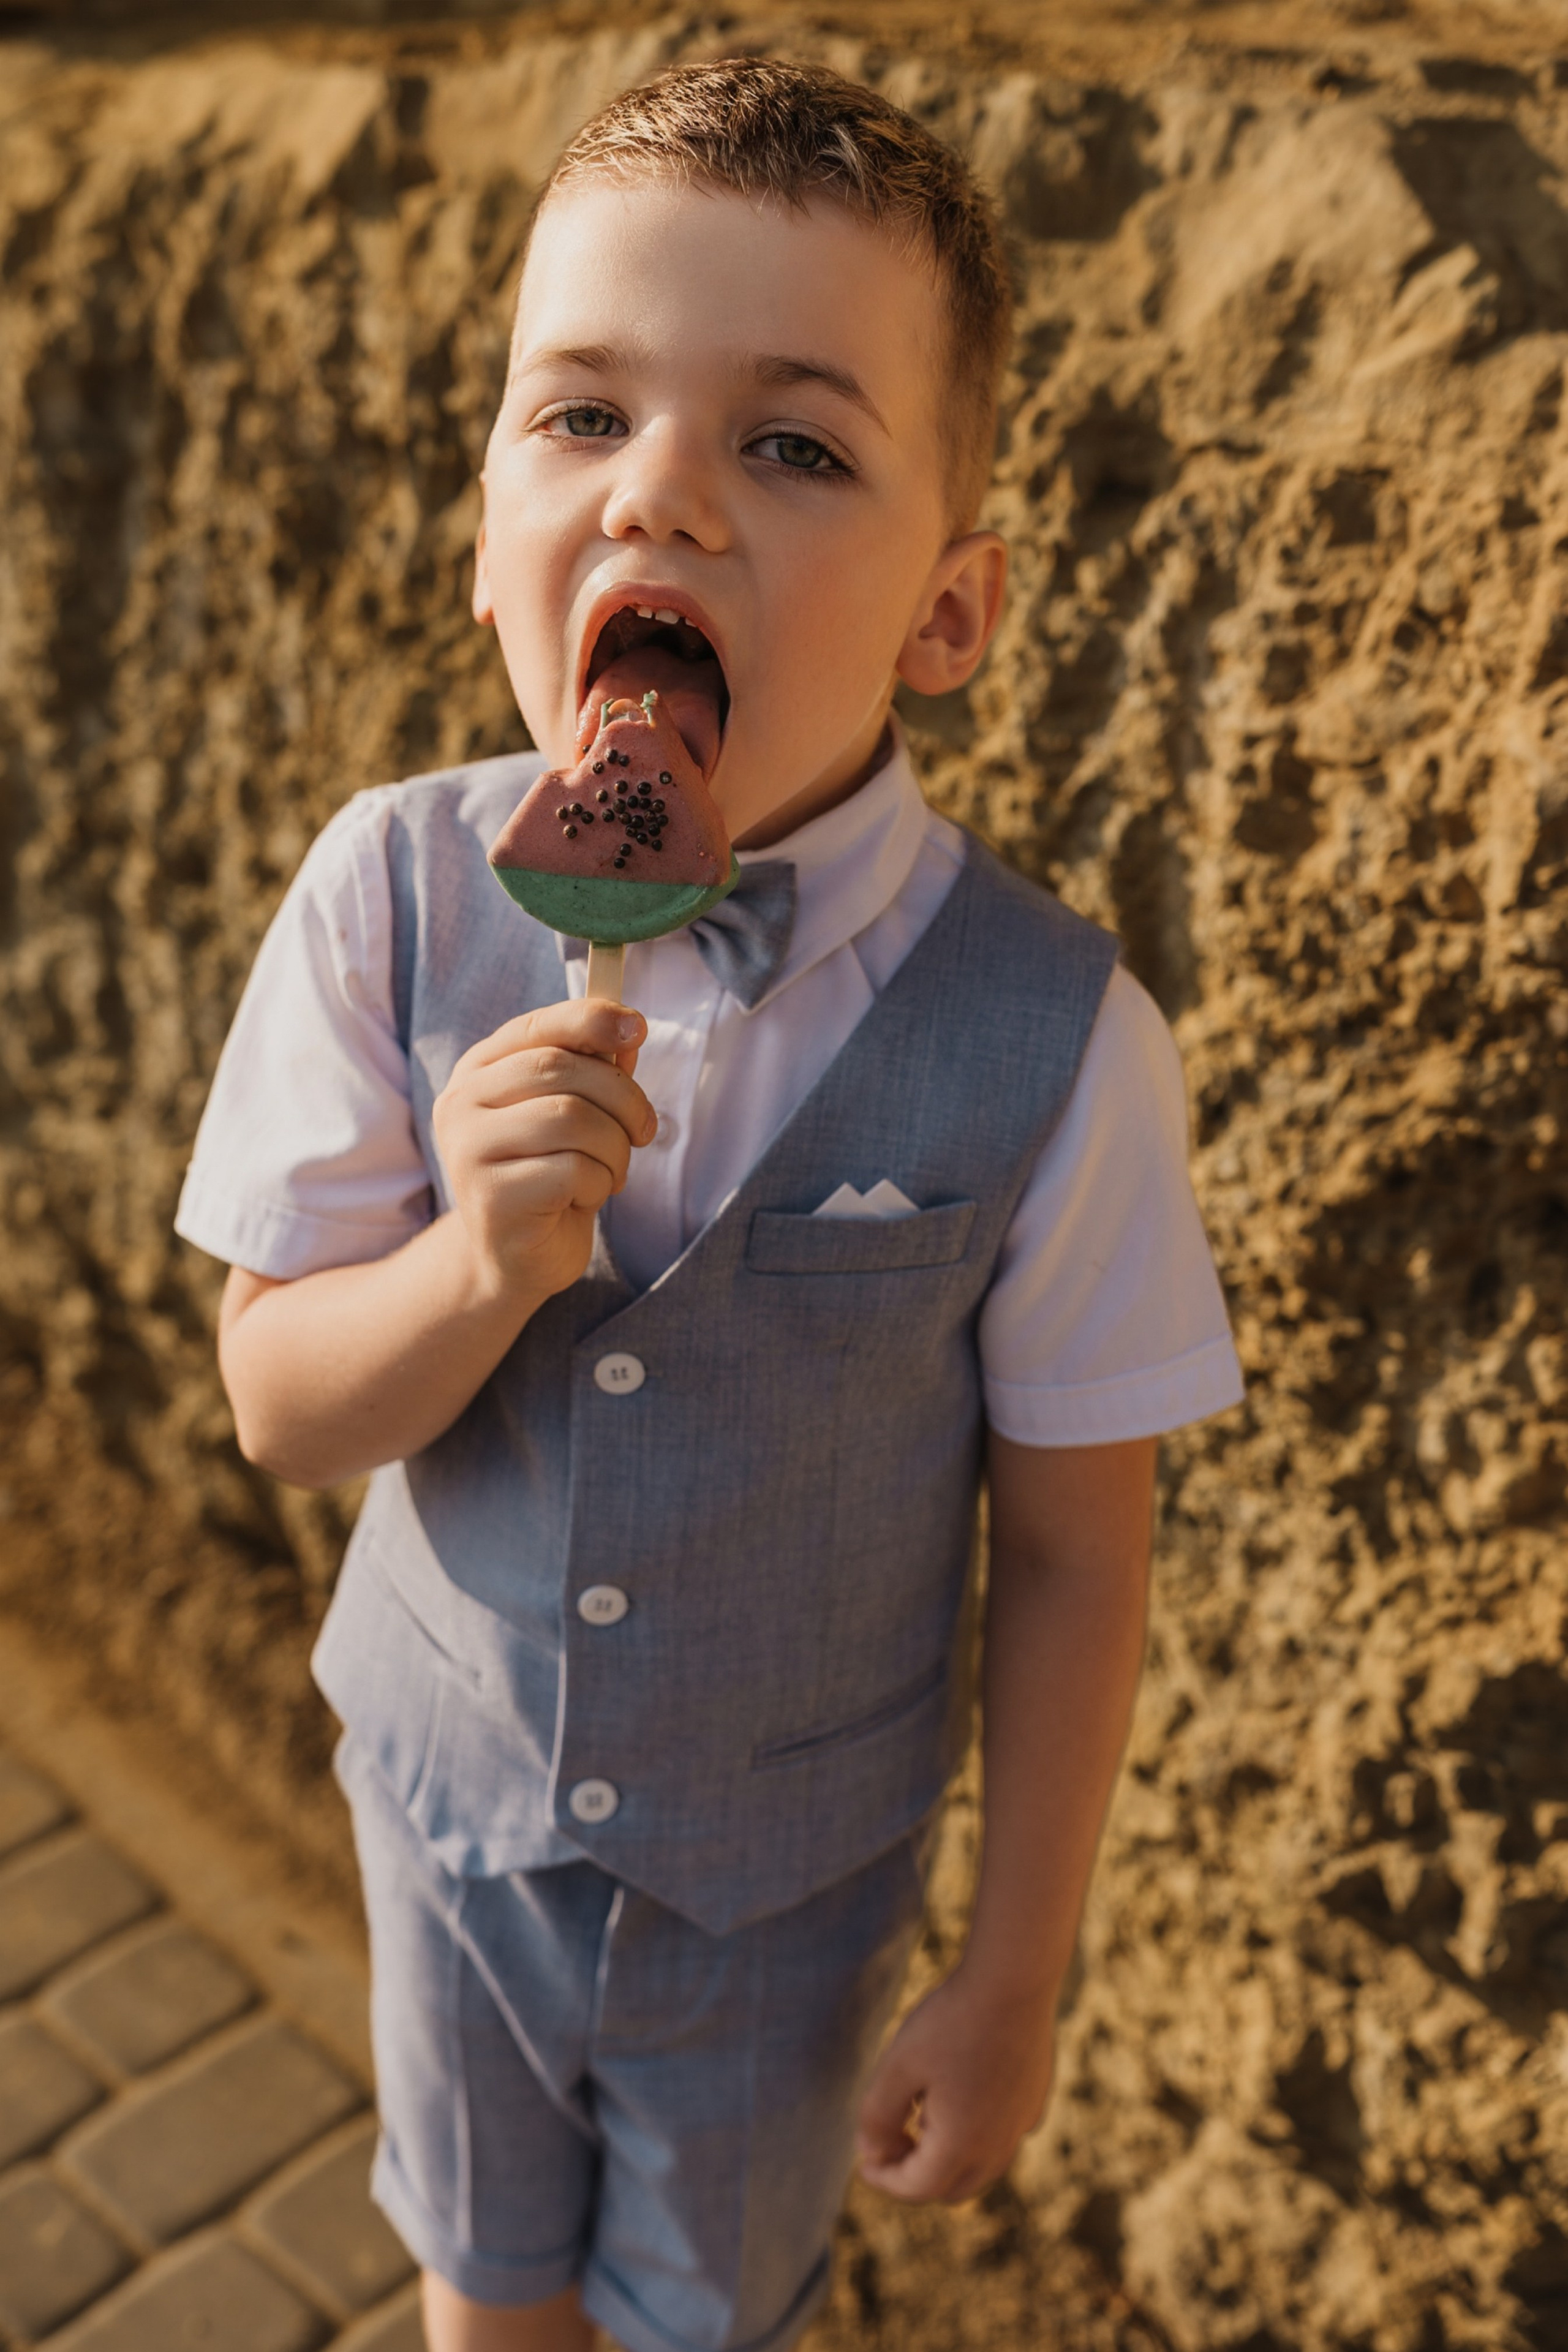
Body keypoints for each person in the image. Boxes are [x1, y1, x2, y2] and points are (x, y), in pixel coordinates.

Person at [176, 56, 1243, 2352]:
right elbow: (278, 1399)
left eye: (792, 442)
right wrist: (469, 1267)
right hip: (443, 1819)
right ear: (488, 540)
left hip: (785, 1903)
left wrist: (1016, 1972)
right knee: (481, 2273)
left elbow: (1075, 1549)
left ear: (952, 616)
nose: (663, 494)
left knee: (707, 2314)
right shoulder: (382, 898)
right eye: (582, 417)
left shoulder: (1063, 1044)